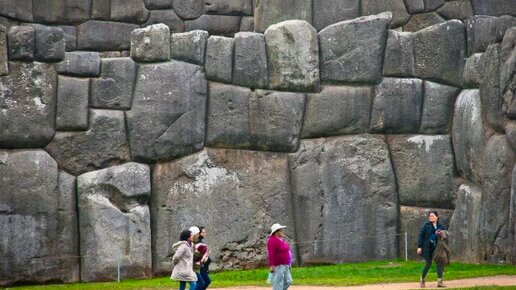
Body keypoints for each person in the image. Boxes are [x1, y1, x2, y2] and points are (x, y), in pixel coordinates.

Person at [417, 211, 447, 288]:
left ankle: (440, 282)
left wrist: (441, 233)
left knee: (439, 263)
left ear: (437, 217)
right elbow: (421, 236)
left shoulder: (441, 225)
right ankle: (422, 280)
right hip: (428, 248)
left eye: (432, 216)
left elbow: (446, 233)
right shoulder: (426, 225)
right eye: (430, 216)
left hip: (437, 248)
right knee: (428, 264)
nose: (431, 217)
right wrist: (419, 247)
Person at [267, 223, 292, 290]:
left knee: (288, 281)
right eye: (281, 230)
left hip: (286, 265)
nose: (282, 232)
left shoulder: (281, 239)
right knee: (277, 283)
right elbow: (271, 253)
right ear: (276, 232)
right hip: (279, 265)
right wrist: (272, 265)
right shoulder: (272, 240)